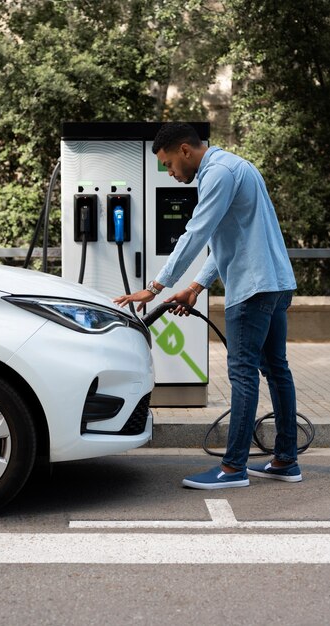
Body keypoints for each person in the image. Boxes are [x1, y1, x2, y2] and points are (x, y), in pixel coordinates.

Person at [113, 122, 301, 490]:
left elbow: (196, 233)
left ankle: (233, 469)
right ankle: (286, 460)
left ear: (185, 150)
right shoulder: (235, 167)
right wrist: (196, 286)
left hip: (252, 289)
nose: (169, 172)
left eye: (168, 164)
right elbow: (229, 239)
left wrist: (156, 286)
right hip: (276, 283)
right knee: (277, 370)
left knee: (243, 374)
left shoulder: (216, 174)